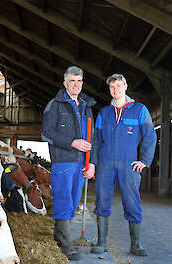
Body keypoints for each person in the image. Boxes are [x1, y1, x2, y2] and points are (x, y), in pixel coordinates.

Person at [90, 74, 157, 256]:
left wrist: (144, 160)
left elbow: (150, 135)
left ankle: (135, 244)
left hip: (129, 164)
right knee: (102, 201)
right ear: (109, 89)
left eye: (119, 86)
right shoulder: (104, 113)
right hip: (105, 164)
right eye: (112, 87)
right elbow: (96, 141)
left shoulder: (139, 109)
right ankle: (101, 242)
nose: (115, 90)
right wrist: (93, 164)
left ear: (126, 86)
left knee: (132, 201)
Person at [41, 66, 96, 261]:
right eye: (72, 81)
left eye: (79, 81)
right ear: (65, 83)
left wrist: (93, 164)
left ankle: (58, 236)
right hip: (63, 163)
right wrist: (71, 142)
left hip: (82, 163)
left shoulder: (87, 106)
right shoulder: (55, 105)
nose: (76, 85)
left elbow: (93, 138)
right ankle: (66, 245)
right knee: (64, 202)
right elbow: (46, 133)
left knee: (72, 204)